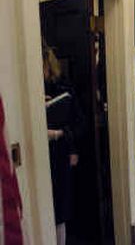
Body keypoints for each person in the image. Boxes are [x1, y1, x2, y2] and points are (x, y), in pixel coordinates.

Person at [42, 42, 84, 245]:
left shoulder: (63, 87)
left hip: (60, 153)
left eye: (42, 66)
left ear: (49, 65)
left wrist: (62, 136)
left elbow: (79, 123)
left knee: (60, 208)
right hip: (38, 157)